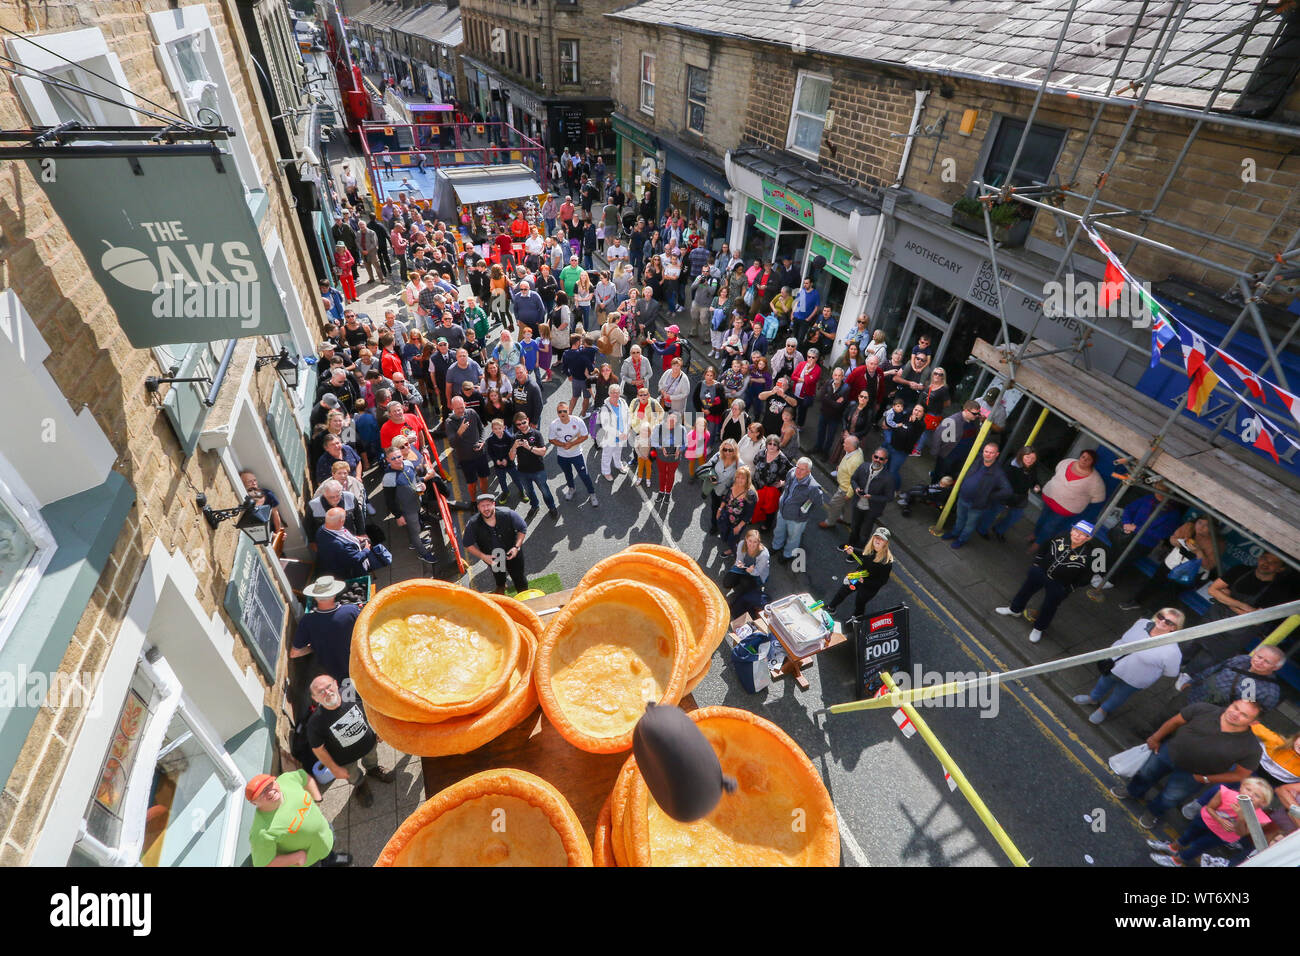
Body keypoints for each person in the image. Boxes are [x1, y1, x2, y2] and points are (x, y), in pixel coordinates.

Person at [1112, 698, 1264, 831]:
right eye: (1236, 707)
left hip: (1193, 776)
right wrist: (1155, 738)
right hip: (1167, 753)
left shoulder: (1251, 748)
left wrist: (1206, 779)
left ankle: (1153, 812)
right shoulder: (1204, 709)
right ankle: (1132, 791)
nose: (1235, 713)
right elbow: (1175, 721)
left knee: (1170, 797)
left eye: (1244, 715)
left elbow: (1240, 774)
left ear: (1253, 722)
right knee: (1145, 774)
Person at [1072, 609, 1186, 724]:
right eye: (1161, 616)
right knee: (1103, 682)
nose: (1162, 621)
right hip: (1116, 666)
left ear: (1174, 628)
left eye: (1168, 622)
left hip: (1136, 678)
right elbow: (1123, 639)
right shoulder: (1141, 623)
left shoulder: (1173, 651)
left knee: (1120, 695)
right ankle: (1093, 698)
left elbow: (1171, 672)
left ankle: (1104, 710)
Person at [995, 520, 1095, 643]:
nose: (1076, 535)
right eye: (1075, 531)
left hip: (1059, 584)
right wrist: (1037, 564)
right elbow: (1044, 546)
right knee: (1025, 591)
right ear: (1071, 530)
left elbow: (1086, 577)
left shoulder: (1090, 555)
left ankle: (1039, 628)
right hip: (1040, 572)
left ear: (1088, 538)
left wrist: (1069, 589)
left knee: (1049, 607)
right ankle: (1015, 609)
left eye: (1082, 534)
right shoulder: (1061, 536)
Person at [307, 674, 394, 809]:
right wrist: (334, 768)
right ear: (315, 698)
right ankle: (360, 785)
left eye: (329, 686)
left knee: (372, 758)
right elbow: (318, 749)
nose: (327, 693)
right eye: (320, 692)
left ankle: (373, 770)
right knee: (352, 776)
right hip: (345, 759)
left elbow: (372, 707)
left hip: (368, 743)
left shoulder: (353, 693)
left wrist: (380, 729)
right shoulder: (315, 723)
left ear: (336, 684)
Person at [1148, 776, 1274, 867]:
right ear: (1241, 788)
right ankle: (1172, 847)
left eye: (1257, 795)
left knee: (1197, 846)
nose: (1250, 795)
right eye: (1248, 789)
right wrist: (1219, 819)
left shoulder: (1261, 819)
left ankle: (1176, 861)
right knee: (1188, 835)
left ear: (1263, 803)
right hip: (1205, 820)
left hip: (1221, 835)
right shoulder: (1225, 793)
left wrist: (1242, 817)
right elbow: (1209, 807)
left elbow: (1241, 833)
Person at [246, 770, 350, 867]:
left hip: (325, 833)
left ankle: (331, 859)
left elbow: (304, 777)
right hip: (310, 859)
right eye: (262, 793)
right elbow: (263, 864)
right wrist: (296, 857)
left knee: (330, 847)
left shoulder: (286, 780)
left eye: (270, 784)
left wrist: (318, 800)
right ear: (254, 803)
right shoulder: (261, 832)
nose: (269, 792)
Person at [1120, 515, 1223, 612]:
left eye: (1206, 526)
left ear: (1213, 529)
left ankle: (1153, 612)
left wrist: (1198, 551)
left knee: (1171, 592)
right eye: (1200, 523)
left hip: (1190, 571)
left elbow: (1209, 565)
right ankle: (1137, 601)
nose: (1201, 527)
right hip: (1173, 562)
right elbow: (1172, 539)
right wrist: (1180, 542)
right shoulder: (1189, 527)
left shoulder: (1217, 543)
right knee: (1155, 581)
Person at [290, 576, 362, 685]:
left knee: (353, 700)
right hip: (361, 666)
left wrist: (314, 646)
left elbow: (294, 653)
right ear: (334, 595)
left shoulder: (307, 621)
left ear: (315, 597)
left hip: (339, 677)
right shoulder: (351, 611)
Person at [943, 442, 1013, 549]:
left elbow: (1008, 491)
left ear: (997, 454)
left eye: (991, 452)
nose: (988, 454)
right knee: (960, 518)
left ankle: (961, 539)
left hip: (976, 505)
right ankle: (955, 533)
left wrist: (989, 496)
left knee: (969, 525)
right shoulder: (977, 460)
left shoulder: (998, 473)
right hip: (963, 498)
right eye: (986, 451)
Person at [381, 446, 444, 564]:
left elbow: (415, 478)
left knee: (415, 529)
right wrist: (398, 516)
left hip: (416, 503)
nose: (398, 460)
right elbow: (389, 500)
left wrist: (421, 483)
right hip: (406, 509)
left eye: (399, 456)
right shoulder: (388, 477)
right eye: (393, 458)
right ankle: (423, 553)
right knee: (415, 531)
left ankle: (414, 543)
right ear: (388, 460)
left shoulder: (408, 464)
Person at [1032, 449, 1106, 549]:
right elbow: (1057, 470)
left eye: (1088, 459)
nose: (1084, 460)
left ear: (1092, 462)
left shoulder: (1095, 480)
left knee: (1049, 526)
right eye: (1083, 457)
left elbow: (1098, 498)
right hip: (1049, 498)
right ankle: (1034, 535)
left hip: (1065, 509)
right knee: (1042, 518)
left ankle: (1038, 544)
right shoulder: (1067, 462)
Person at [1183, 645, 1286, 713]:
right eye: (1259, 657)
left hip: (1208, 715)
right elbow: (1215, 669)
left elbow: (1256, 716)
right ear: (1254, 652)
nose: (1260, 662)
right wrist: (1192, 681)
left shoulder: (1270, 692)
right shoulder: (1242, 659)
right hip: (1193, 695)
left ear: (1276, 667)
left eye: (1267, 662)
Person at [461, 494, 529, 594]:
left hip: (512, 552)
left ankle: (523, 593)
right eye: (482, 506)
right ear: (478, 507)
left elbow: (522, 528)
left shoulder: (508, 513)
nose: (486, 508)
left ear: (494, 504)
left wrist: (516, 547)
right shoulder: (473, 523)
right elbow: (467, 544)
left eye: (488, 505)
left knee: (518, 576)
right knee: (498, 574)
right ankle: (501, 586)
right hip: (493, 556)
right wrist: (484, 556)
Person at [828, 528, 896, 624]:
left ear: (886, 543)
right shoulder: (871, 549)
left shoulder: (886, 562)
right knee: (844, 589)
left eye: (882, 539)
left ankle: (857, 618)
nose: (878, 540)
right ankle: (831, 607)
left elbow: (882, 581)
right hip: (858, 577)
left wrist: (865, 582)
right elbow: (864, 554)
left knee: (860, 602)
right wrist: (853, 550)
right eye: (876, 537)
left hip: (869, 587)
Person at [978, 445, 1043, 542]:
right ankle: (981, 529)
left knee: (1016, 515)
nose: (1030, 460)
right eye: (1027, 457)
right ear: (1022, 455)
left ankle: (998, 529)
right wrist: (1007, 501)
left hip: (1019, 497)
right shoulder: (1012, 465)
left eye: (1033, 458)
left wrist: (1036, 485)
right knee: (994, 511)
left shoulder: (1032, 467)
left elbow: (1034, 478)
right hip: (1005, 495)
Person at [772, 457, 828, 564]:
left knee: (793, 538)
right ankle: (776, 546)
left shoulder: (813, 488)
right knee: (778, 530)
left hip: (797, 519)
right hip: (783, 511)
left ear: (808, 472)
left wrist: (803, 512)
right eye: (797, 467)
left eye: (802, 469)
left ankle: (788, 554)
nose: (798, 471)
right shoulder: (791, 473)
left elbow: (819, 503)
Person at [315, 508, 392, 578]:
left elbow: (343, 534)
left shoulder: (323, 528)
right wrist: (366, 549)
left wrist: (357, 538)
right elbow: (356, 559)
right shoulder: (338, 544)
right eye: (344, 518)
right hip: (347, 571)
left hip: (340, 557)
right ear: (340, 522)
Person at [548, 401, 598, 507]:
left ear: (568, 411)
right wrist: (562, 444)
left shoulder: (577, 421)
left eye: (564, 411)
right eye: (559, 411)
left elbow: (585, 436)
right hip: (562, 456)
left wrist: (571, 444)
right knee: (568, 474)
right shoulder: (554, 424)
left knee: (584, 475)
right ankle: (571, 488)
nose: (562, 413)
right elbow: (551, 439)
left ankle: (592, 493)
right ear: (557, 413)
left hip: (576, 455)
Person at [444, 395, 491, 499]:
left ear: (465, 405)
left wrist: (482, 441)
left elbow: (482, 429)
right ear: (452, 407)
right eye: (458, 408)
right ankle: (473, 501)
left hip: (480, 454)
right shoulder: (449, 422)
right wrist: (460, 432)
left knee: (484, 478)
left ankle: (485, 498)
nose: (461, 410)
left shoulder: (472, 413)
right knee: (472, 484)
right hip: (466, 459)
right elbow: (452, 444)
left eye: (462, 407)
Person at [819, 433, 864, 530]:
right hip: (846, 486)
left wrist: (849, 494)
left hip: (845, 489)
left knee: (834, 504)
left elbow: (855, 479)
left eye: (845, 444)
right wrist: (841, 467)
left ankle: (830, 522)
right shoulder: (857, 450)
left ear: (851, 447)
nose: (843, 445)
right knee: (848, 506)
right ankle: (847, 520)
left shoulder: (855, 462)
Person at [723, 528, 771, 616]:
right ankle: (742, 583)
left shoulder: (764, 554)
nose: (752, 544)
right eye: (750, 541)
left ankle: (738, 600)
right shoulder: (741, 544)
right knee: (727, 582)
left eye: (755, 542)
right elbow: (738, 560)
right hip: (744, 568)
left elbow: (758, 572)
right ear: (746, 539)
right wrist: (739, 564)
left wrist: (751, 571)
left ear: (759, 542)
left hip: (757, 574)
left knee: (745, 582)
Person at [716, 466, 758, 556]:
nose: (739, 480)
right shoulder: (733, 484)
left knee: (733, 540)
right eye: (738, 477)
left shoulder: (750, 495)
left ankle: (734, 553)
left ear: (747, 479)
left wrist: (739, 527)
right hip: (727, 516)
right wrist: (720, 509)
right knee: (725, 531)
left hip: (738, 522)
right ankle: (729, 541)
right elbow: (726, 497)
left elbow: (748, 515)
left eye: (742, 478)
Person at [703, 439, 740, 536]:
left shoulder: (738, 463)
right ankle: (714, 526)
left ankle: (724, 528)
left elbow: (741, 480)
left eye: (730, 450)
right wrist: (712, 479)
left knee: (726, 512)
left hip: (727, 494)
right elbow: (707, 467)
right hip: (715, 490)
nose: (727, 452)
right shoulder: (718, 456)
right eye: (725, 449)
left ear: (735, 450)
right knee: (714, 508)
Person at [597, 383, 631, 481]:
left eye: (617, 392)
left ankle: (618, 465)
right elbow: (606, 426)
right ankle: (606, 472)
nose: (615, 395)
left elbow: (628, 415)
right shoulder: (605, 408)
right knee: (607, 454)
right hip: (610, 436)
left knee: (618, 451)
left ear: (620, 393)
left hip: (623, 435)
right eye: (612, 392)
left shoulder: (623, 402)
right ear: (609, 394)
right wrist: (619, 434)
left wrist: (626, 430)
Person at [654, 413, 683, 503]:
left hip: (674, 458)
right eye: (671, 417)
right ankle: (661, 491)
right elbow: (653, 441)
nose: (672, 420)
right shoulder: (659, 428)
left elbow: (685, 443)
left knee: (671, 475)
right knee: (662, 474)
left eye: (675, 419)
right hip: (661, 457)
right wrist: (662, 448)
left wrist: (679, 449)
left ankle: (668, 493)